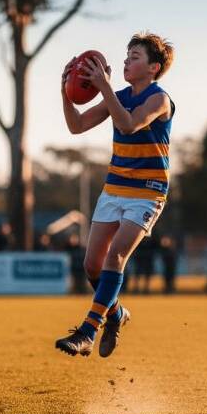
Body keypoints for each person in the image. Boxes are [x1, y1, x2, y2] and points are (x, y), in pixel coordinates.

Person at [54, 32, 175, 357]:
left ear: (153, 67)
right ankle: (116, 314)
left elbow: (129, 124)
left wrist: (104, 86)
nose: (126, 61)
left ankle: (87, 332)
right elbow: (76, 126)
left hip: (147, 193)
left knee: (115, 257)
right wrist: (66, 91)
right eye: (126, 55)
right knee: (92, 265)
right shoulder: (116, 94)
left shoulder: (158, 99)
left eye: (134, 57)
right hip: (115, 188)